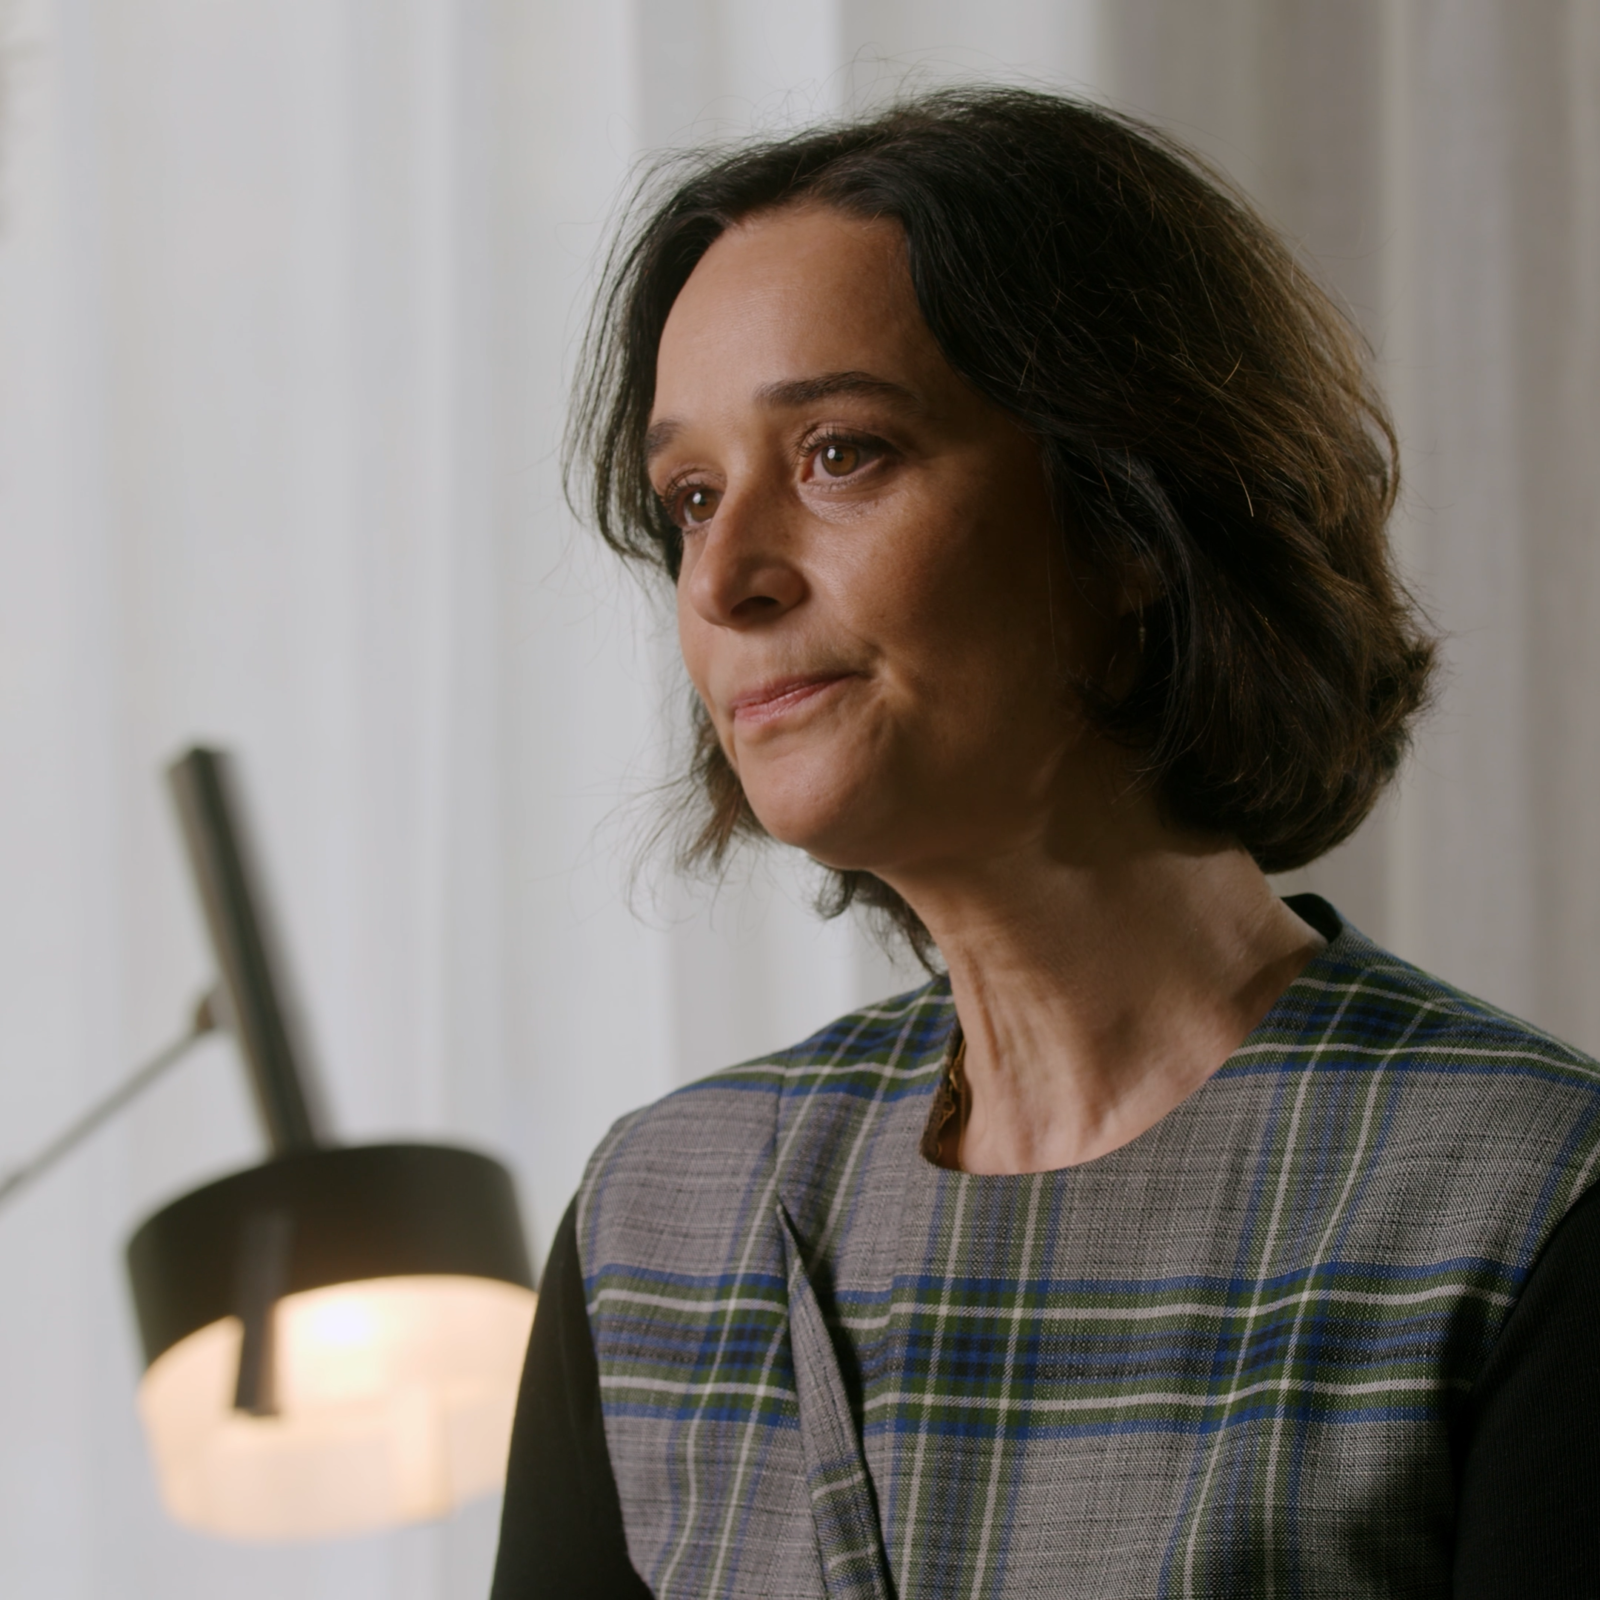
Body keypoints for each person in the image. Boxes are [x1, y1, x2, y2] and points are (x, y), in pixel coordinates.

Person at [490, 88, 1600, 1598]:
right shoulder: (656, 1223)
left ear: (1132, 517)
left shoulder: (1530, 1207)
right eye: (689, 496)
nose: (726, 576)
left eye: (839, 454)